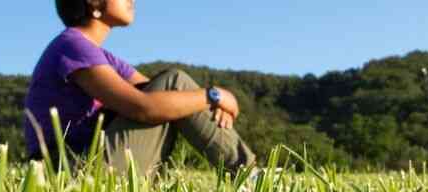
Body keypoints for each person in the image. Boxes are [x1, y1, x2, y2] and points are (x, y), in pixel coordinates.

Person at [24, 0, 255, 176]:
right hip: (69, 171)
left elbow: (162, 95)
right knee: (175, 83)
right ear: (93, 3)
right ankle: (248, 175)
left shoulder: (96, 54)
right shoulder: (73, 45)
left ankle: (248, 175)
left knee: (175, 93)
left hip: (90, 161)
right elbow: (143, 108)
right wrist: (214, 96)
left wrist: (206, 101)